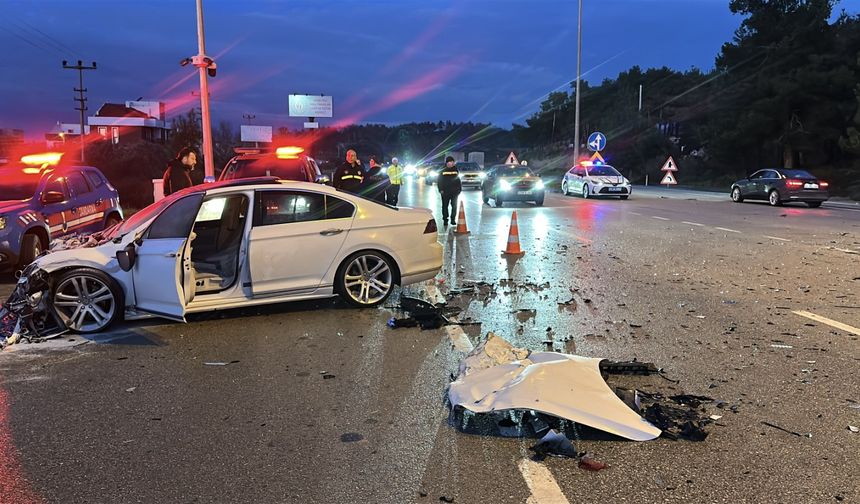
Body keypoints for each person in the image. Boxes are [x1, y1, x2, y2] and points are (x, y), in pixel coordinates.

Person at [437, 156, 462, 227]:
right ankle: (445, 220)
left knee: (454, 206)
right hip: (445, 192)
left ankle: (453, 219)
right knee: (445, 206)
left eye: (452, 162)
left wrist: (459, 189)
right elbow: (439, 181)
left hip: (454, 192)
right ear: (447, 163)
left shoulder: (456, 170)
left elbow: (458, 180)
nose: (451, 163)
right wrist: (440, 189)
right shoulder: (442, 171)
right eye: (450, 162)